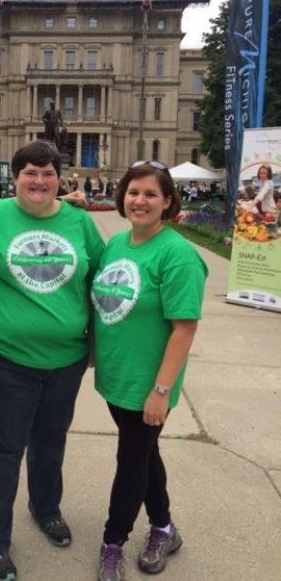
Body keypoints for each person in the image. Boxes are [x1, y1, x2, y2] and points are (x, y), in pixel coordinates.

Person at [0, 141, 105, 581]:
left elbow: (101, 282)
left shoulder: (79, 222)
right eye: (30, 172)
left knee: (50, 442)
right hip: (8, 361)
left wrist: (97, 344)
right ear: (16, 177)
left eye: (47, 173)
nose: (39, 181)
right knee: (2, 451)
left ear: (60, 179)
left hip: (66, 361)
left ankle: (45, 509)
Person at [90, 161, 208, 581]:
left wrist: (160, 390)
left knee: (131, 462)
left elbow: (185, 327)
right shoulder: (118, 244)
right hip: (116, 379)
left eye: (150, 194)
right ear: (122, 196)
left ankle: (112, 542)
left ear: (168, 202)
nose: (140, 200)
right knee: (145, 455)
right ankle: (164, 527)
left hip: (149, 384)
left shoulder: (177, 255)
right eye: (133, 192)